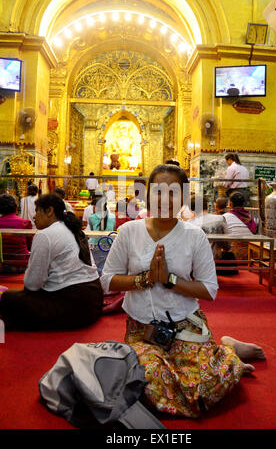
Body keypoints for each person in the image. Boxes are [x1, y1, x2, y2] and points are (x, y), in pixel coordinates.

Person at [100, 163, 265, 418]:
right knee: (149, 380)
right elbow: (107, 281)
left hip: (186, 326)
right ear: (147, 194)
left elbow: (209, 289)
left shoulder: (194, 235)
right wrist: (144, 279)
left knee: (201, 391)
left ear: (184, 196)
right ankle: (220, 355)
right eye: (158, 191)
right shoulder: (128, 232)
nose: (165, 199)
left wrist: (169, 279)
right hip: (143, 331)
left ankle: (227, 350)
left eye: (173, 192)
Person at [0, 194, 103, 330]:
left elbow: (32, 284)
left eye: (37, 211)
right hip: (95, 302)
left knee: (8, 298)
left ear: (49, 211)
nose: (34, 216)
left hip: (74, 307)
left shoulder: (45, 235)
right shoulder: (73, 229)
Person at [188, 194, 230, 260]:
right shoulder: (220, 219)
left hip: (195, 262)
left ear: (190, 209)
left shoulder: (188, 224)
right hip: (216, 260)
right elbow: (227, 245)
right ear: (207, 205)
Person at [0, 194, 32, 273]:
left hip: (2, 265)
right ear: (16, 208)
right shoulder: (25, 223)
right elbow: (30, 245)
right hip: (22, 264)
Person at [223, 191, 257, 260]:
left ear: (230, 203)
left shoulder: (225, 217)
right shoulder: (249, 217)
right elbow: (254, 231)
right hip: (252, 255)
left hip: (234, 255)